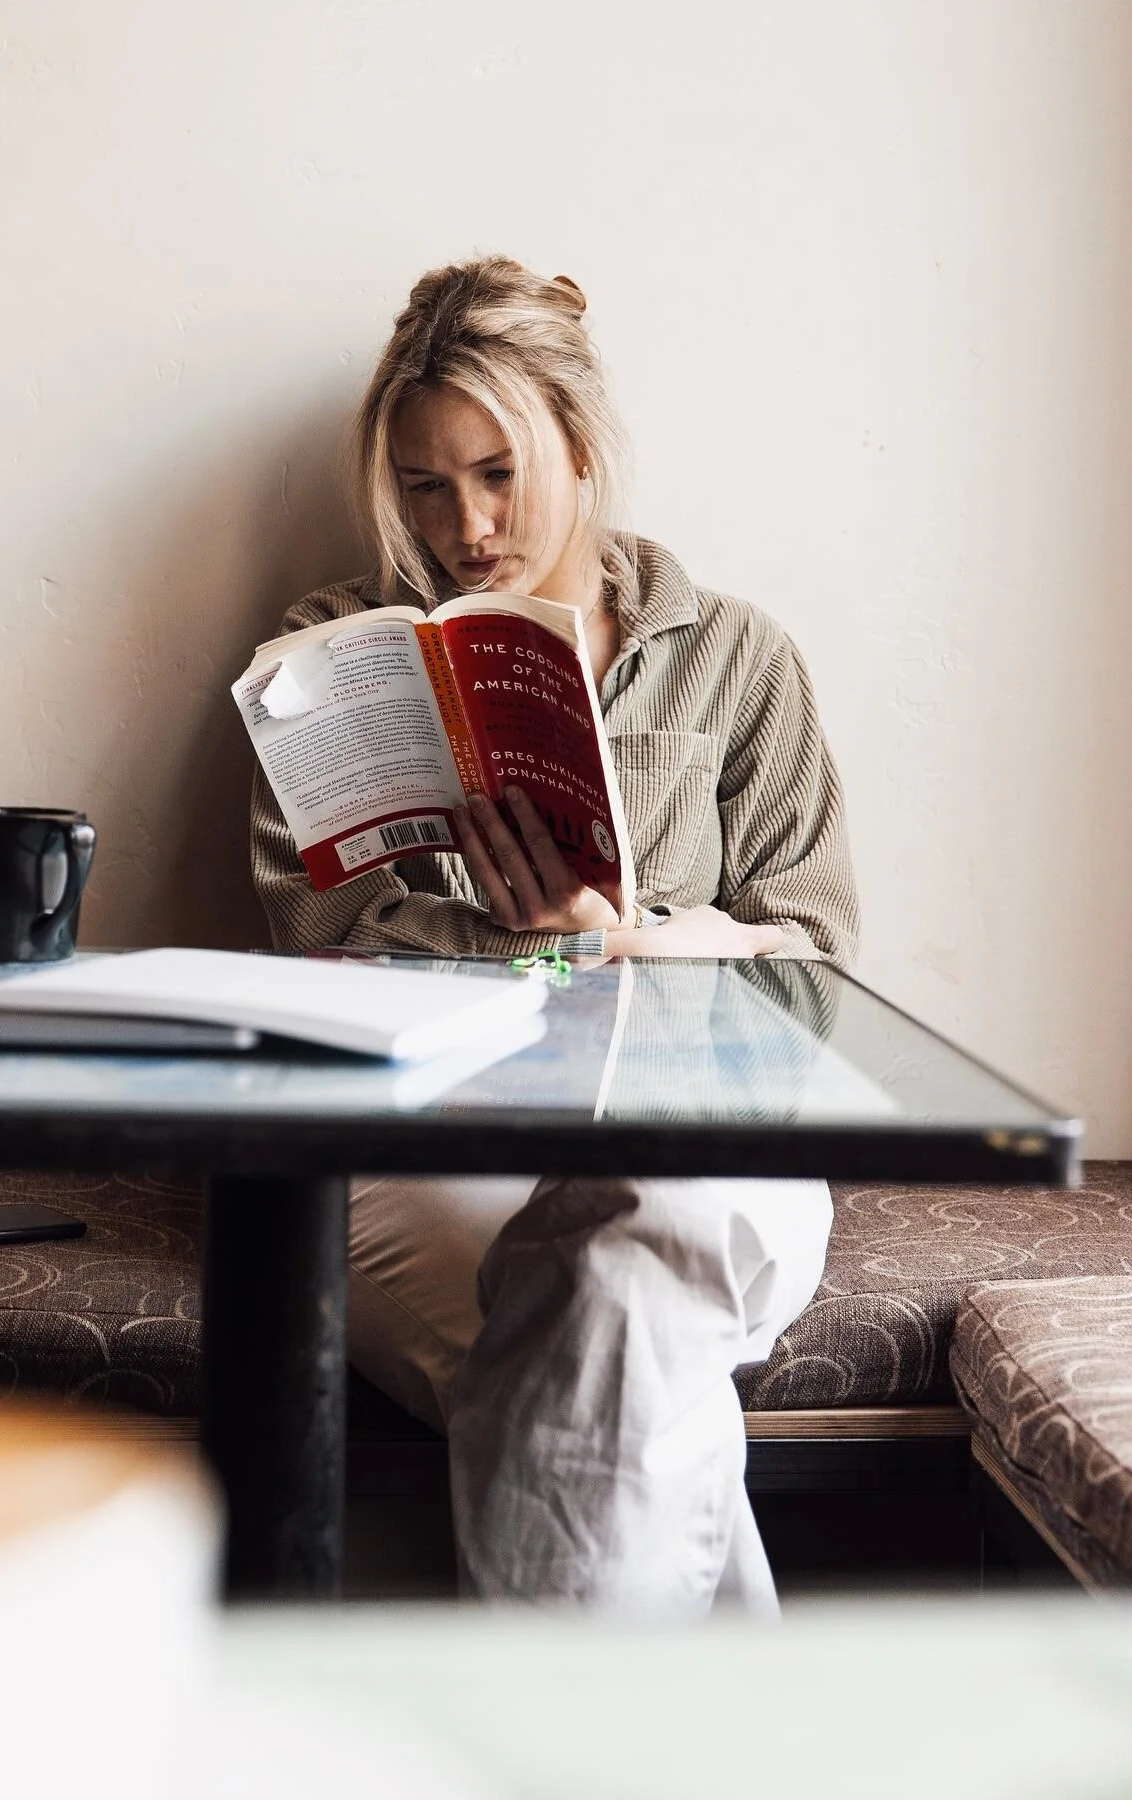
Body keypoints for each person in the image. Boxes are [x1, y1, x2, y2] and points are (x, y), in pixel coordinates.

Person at [250, 256, 858, 1614]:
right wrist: (531, 951)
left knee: (624, 1249)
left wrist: (612, 941)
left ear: (580, 448)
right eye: (424, 484)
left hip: (704, 1128)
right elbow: (316, 930)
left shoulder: (737, 658)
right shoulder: (334, 652)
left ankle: (564, 1719)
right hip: (434, 1139)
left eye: (498, 474)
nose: (464, 526)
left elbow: (815, 961)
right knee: (626, 1344)